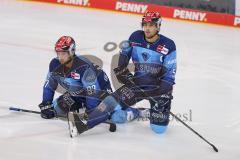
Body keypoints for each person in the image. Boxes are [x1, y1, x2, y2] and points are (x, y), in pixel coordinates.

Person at [68, 11, 177, 136]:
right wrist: (123, 73)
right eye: (145, 24)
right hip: (137, 85)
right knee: (112, 106)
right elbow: (122, 62)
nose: (147, 28)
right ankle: (82, 123)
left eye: (151, 25)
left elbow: (169, 77)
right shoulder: (135, 37)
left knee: (159, 129)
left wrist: (163, 95)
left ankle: (152, 112)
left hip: (158, 89)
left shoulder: (169, 45)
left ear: (158, 26)